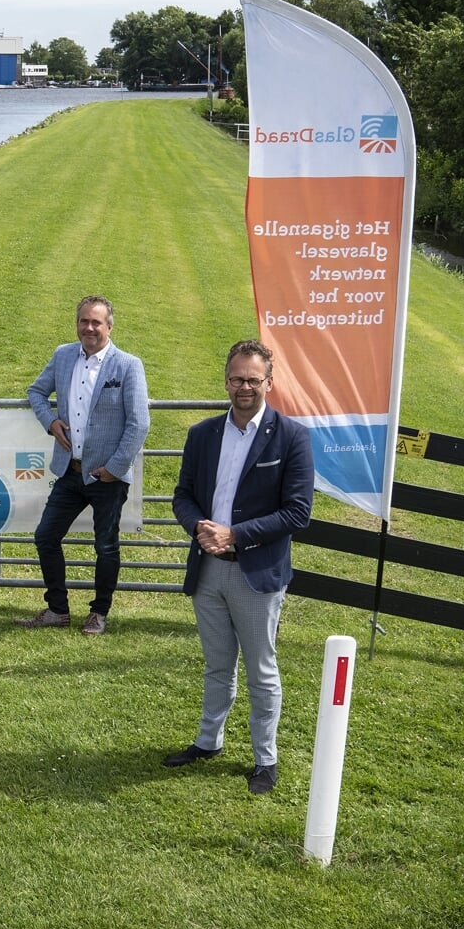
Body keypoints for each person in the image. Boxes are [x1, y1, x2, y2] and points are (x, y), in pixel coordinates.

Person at [164, 339, 314, 795]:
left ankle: (265, 759)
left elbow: (297, 513)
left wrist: (235, 534)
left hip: (257, 574)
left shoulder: (291, 437)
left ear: (270, 381)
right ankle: (208, 742)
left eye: (253, 379)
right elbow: (182, 496)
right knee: (217, 664)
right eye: (236, 378)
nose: (244, 387)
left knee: (261, 669)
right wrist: (200, 529)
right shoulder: (202, 434)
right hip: (208, 568)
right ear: (225, 380)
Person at [19, 296, 151, 635]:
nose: (89, 328)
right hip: (69, 470)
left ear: (109, 326)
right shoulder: (63, 356)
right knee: (46, 536)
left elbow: (139, 423)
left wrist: (115, 467)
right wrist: (50, 421)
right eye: (84, 321)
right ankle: (57, 609)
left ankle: (99, 613)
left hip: (106, 476)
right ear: (77, 324)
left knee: (105, 545)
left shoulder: (127, 365)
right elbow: (36, 392)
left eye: (96, 322)